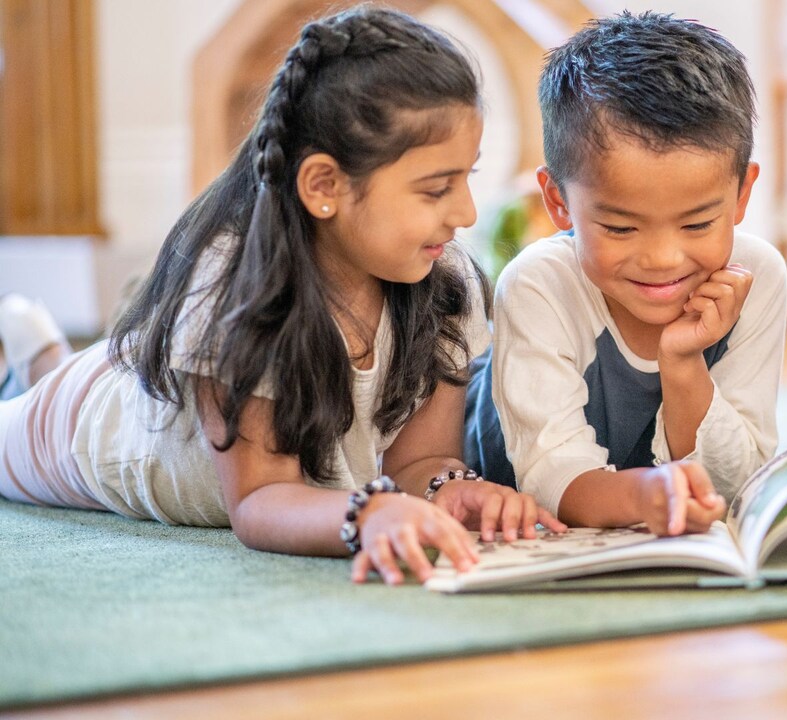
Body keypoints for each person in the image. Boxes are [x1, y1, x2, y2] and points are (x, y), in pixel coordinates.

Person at [0, 7, 564, 586]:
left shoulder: (445, 282)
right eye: (436, 189)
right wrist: (367, 512)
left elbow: (413, 464)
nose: (466, 212)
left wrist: (453, 489)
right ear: (324, 186)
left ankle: (38, 355)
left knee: (58, 373)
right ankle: (39, 366)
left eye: (467, 177)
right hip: (99, 432)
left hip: (141, 385)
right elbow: (261, 499)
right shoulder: (237, 287)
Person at [464, 12, 787, 536]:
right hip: (505, 478)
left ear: (742, 194)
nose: (663, 258)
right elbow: (550, 476)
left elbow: (736, 484)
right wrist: (651, 495)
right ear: (558, 201)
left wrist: (683, 363)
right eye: (619, 228)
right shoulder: (538, 285)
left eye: (698, 222)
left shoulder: (756, 276)